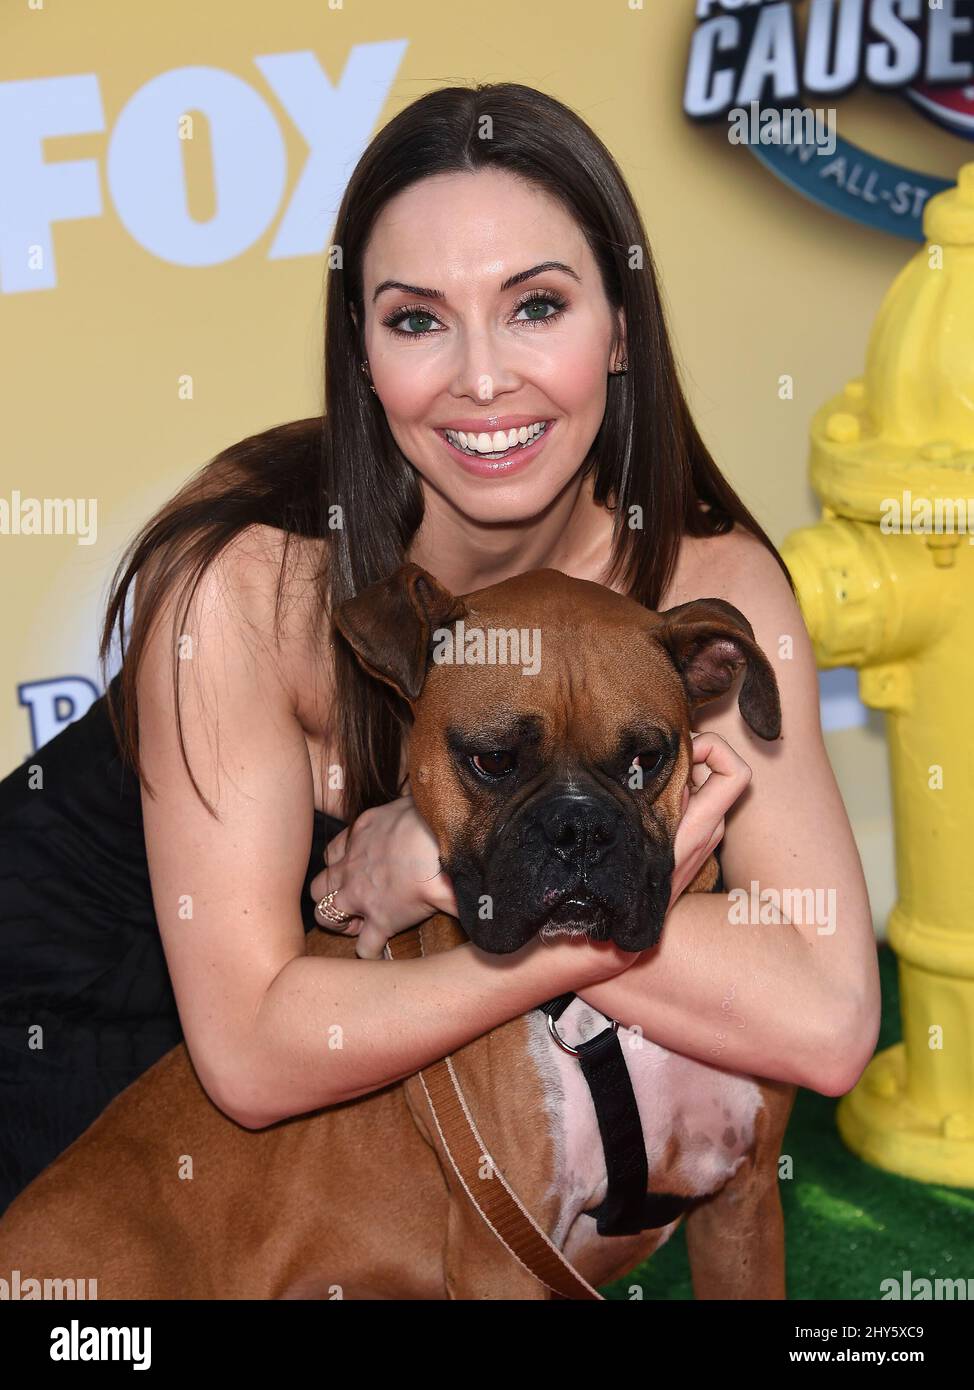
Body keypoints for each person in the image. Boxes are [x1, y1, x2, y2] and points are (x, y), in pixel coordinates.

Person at [0, 82, 880, 1218]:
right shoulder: (248, 580)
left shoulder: (704, 584)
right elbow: (255, 1059)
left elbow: (827, 1018)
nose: (479, 377)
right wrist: (560, 909)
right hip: (65, 1035)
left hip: (355, 1089)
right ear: (361, 354)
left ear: (619, 328)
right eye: (416, 318)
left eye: (536, 306)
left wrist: (466, 881)